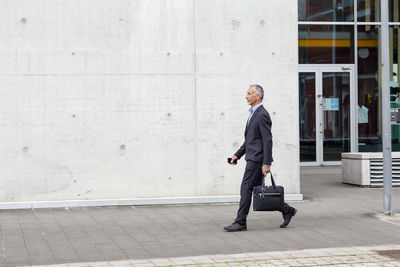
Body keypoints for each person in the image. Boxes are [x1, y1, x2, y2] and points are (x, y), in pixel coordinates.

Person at [224, 85, 297, 232]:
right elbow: (251, 140)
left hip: (257, 160)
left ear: (257, 96)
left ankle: (240, 222)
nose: (246, 96)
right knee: (258, 191)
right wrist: (237, 155)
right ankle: (286, 210)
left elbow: (267, 141)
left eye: (249, 93)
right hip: (254, 158)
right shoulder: (253, 113)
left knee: (246, 188)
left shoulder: (262, 114)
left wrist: (266, 163)